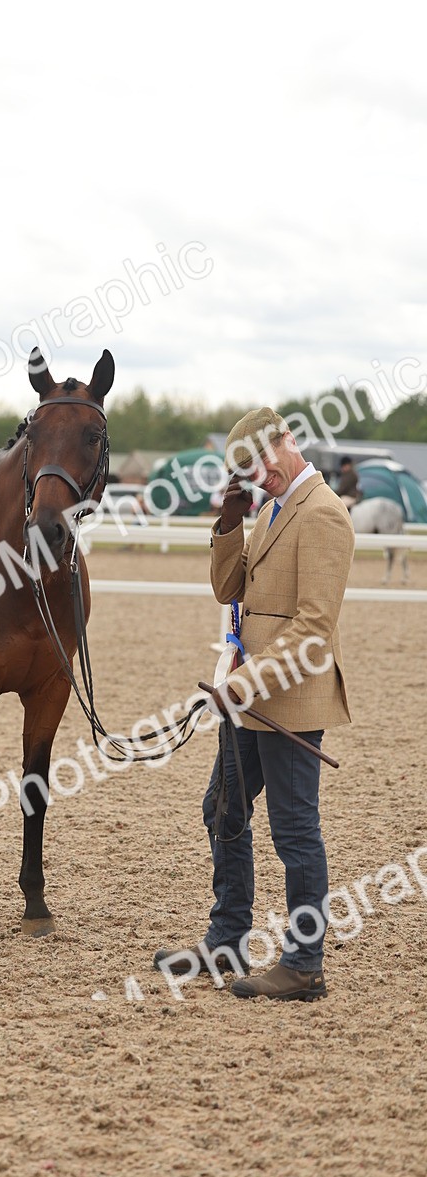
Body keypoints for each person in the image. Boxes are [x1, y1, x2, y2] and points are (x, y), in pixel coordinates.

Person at [153, 408, 355, 1001]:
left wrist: (242, 684)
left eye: (264, 461)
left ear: (288, 441)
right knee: (224, 808)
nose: (260, 475)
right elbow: (229, 589)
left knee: (294, 831)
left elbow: (313, 630)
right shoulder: (268, 509)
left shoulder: (322, 514)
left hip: (289, 698)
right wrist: (227, 524)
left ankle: (304, 963)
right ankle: (226, 942)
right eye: (247, 470)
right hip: (248, 696)